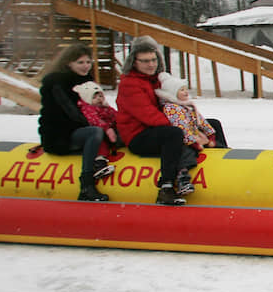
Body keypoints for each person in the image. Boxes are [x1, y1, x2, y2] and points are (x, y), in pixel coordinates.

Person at [116, 36, 193, 206]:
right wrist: (188, 133)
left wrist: (194, 125)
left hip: (156, 129)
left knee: (211, 122)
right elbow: (149, 116)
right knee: (173, 134)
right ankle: (166, 187)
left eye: (153, 60)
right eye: (144, 61)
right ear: (133, 62)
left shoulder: (156, 80)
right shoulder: (129, 84)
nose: (151, 64)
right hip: (138, 136)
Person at [37, 44, 111, 201]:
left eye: (88, 62)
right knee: (95, 132)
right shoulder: (57, 82)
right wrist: (99, 126)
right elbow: (71, 112)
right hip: (60, 135)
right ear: (68, 63)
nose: (86, 66)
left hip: (80, 129)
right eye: (80, 62)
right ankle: (86, 184)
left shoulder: (87, 81)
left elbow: (93, 109)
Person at [154, 72, 219, 195]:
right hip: (185, 139)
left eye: (185, 89)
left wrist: (210, 134)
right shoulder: (171, 108)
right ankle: (182, 176)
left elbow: (201, 121)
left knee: (215, 129)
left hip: (195, 137)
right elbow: (181, 128)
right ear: (172, 93)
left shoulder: (188, 106)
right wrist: (194, 143)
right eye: (181, 90)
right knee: (185, 153)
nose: (185, 92)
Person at [72, 81, 119, 173]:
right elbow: (94, 121)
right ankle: (99, 162)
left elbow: (116, 116)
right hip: (99, 133)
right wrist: (107, 129)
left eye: (100, 96)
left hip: (110, 132)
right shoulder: (88, 108)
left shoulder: (105, 108)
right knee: (101, 144)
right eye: (94, 97)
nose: (99, 99)